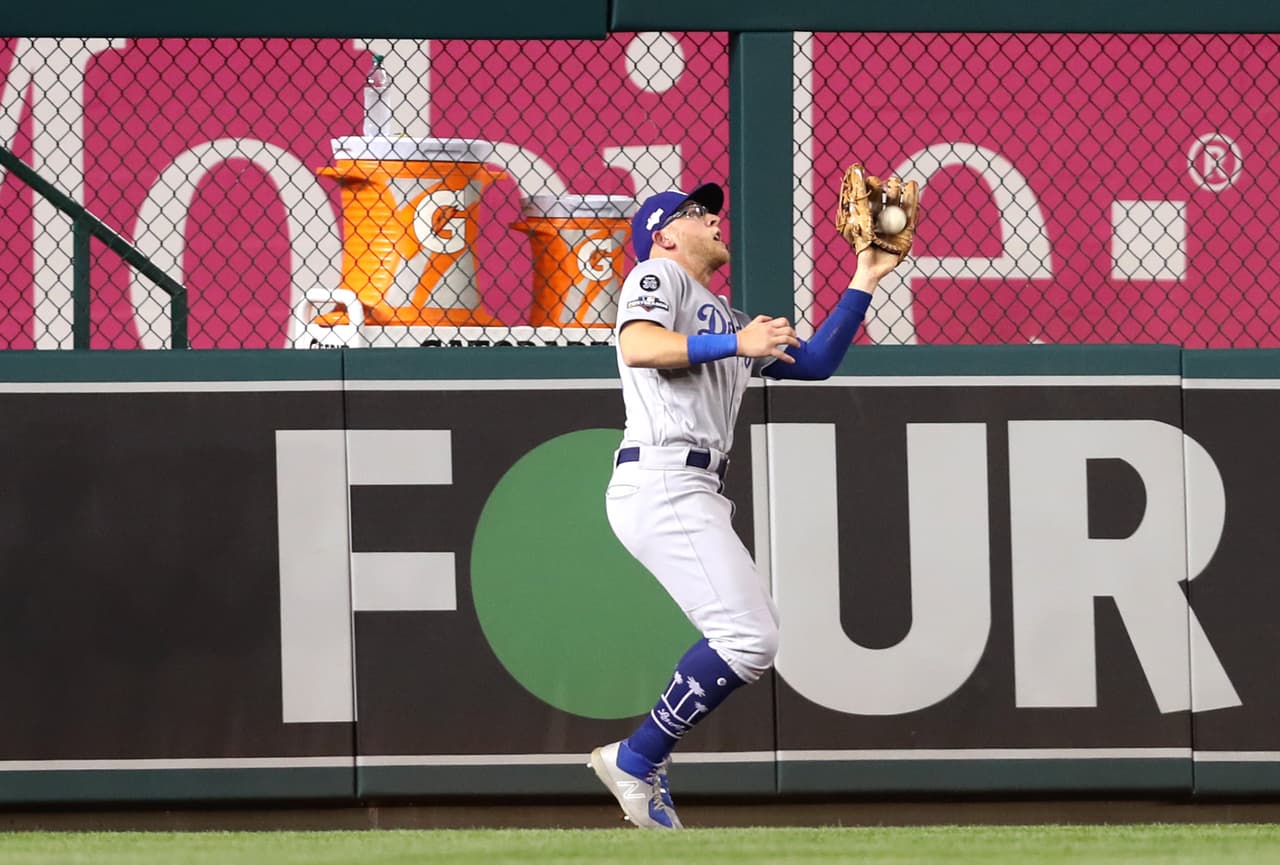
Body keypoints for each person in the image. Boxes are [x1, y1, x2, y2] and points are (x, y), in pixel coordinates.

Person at [588, 181, 910, 828]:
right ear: (664, 234)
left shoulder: (725, 315)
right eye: (696, 212)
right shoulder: (657, 275)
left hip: (693, 486)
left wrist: (866, 275)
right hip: (661, 476)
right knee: (748, 638)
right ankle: (636, 757)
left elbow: (815, 364)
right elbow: (639, 346)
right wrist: (738, 344)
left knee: (752, 632)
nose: (713, 218)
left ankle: (640, 757)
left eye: (712, 210)